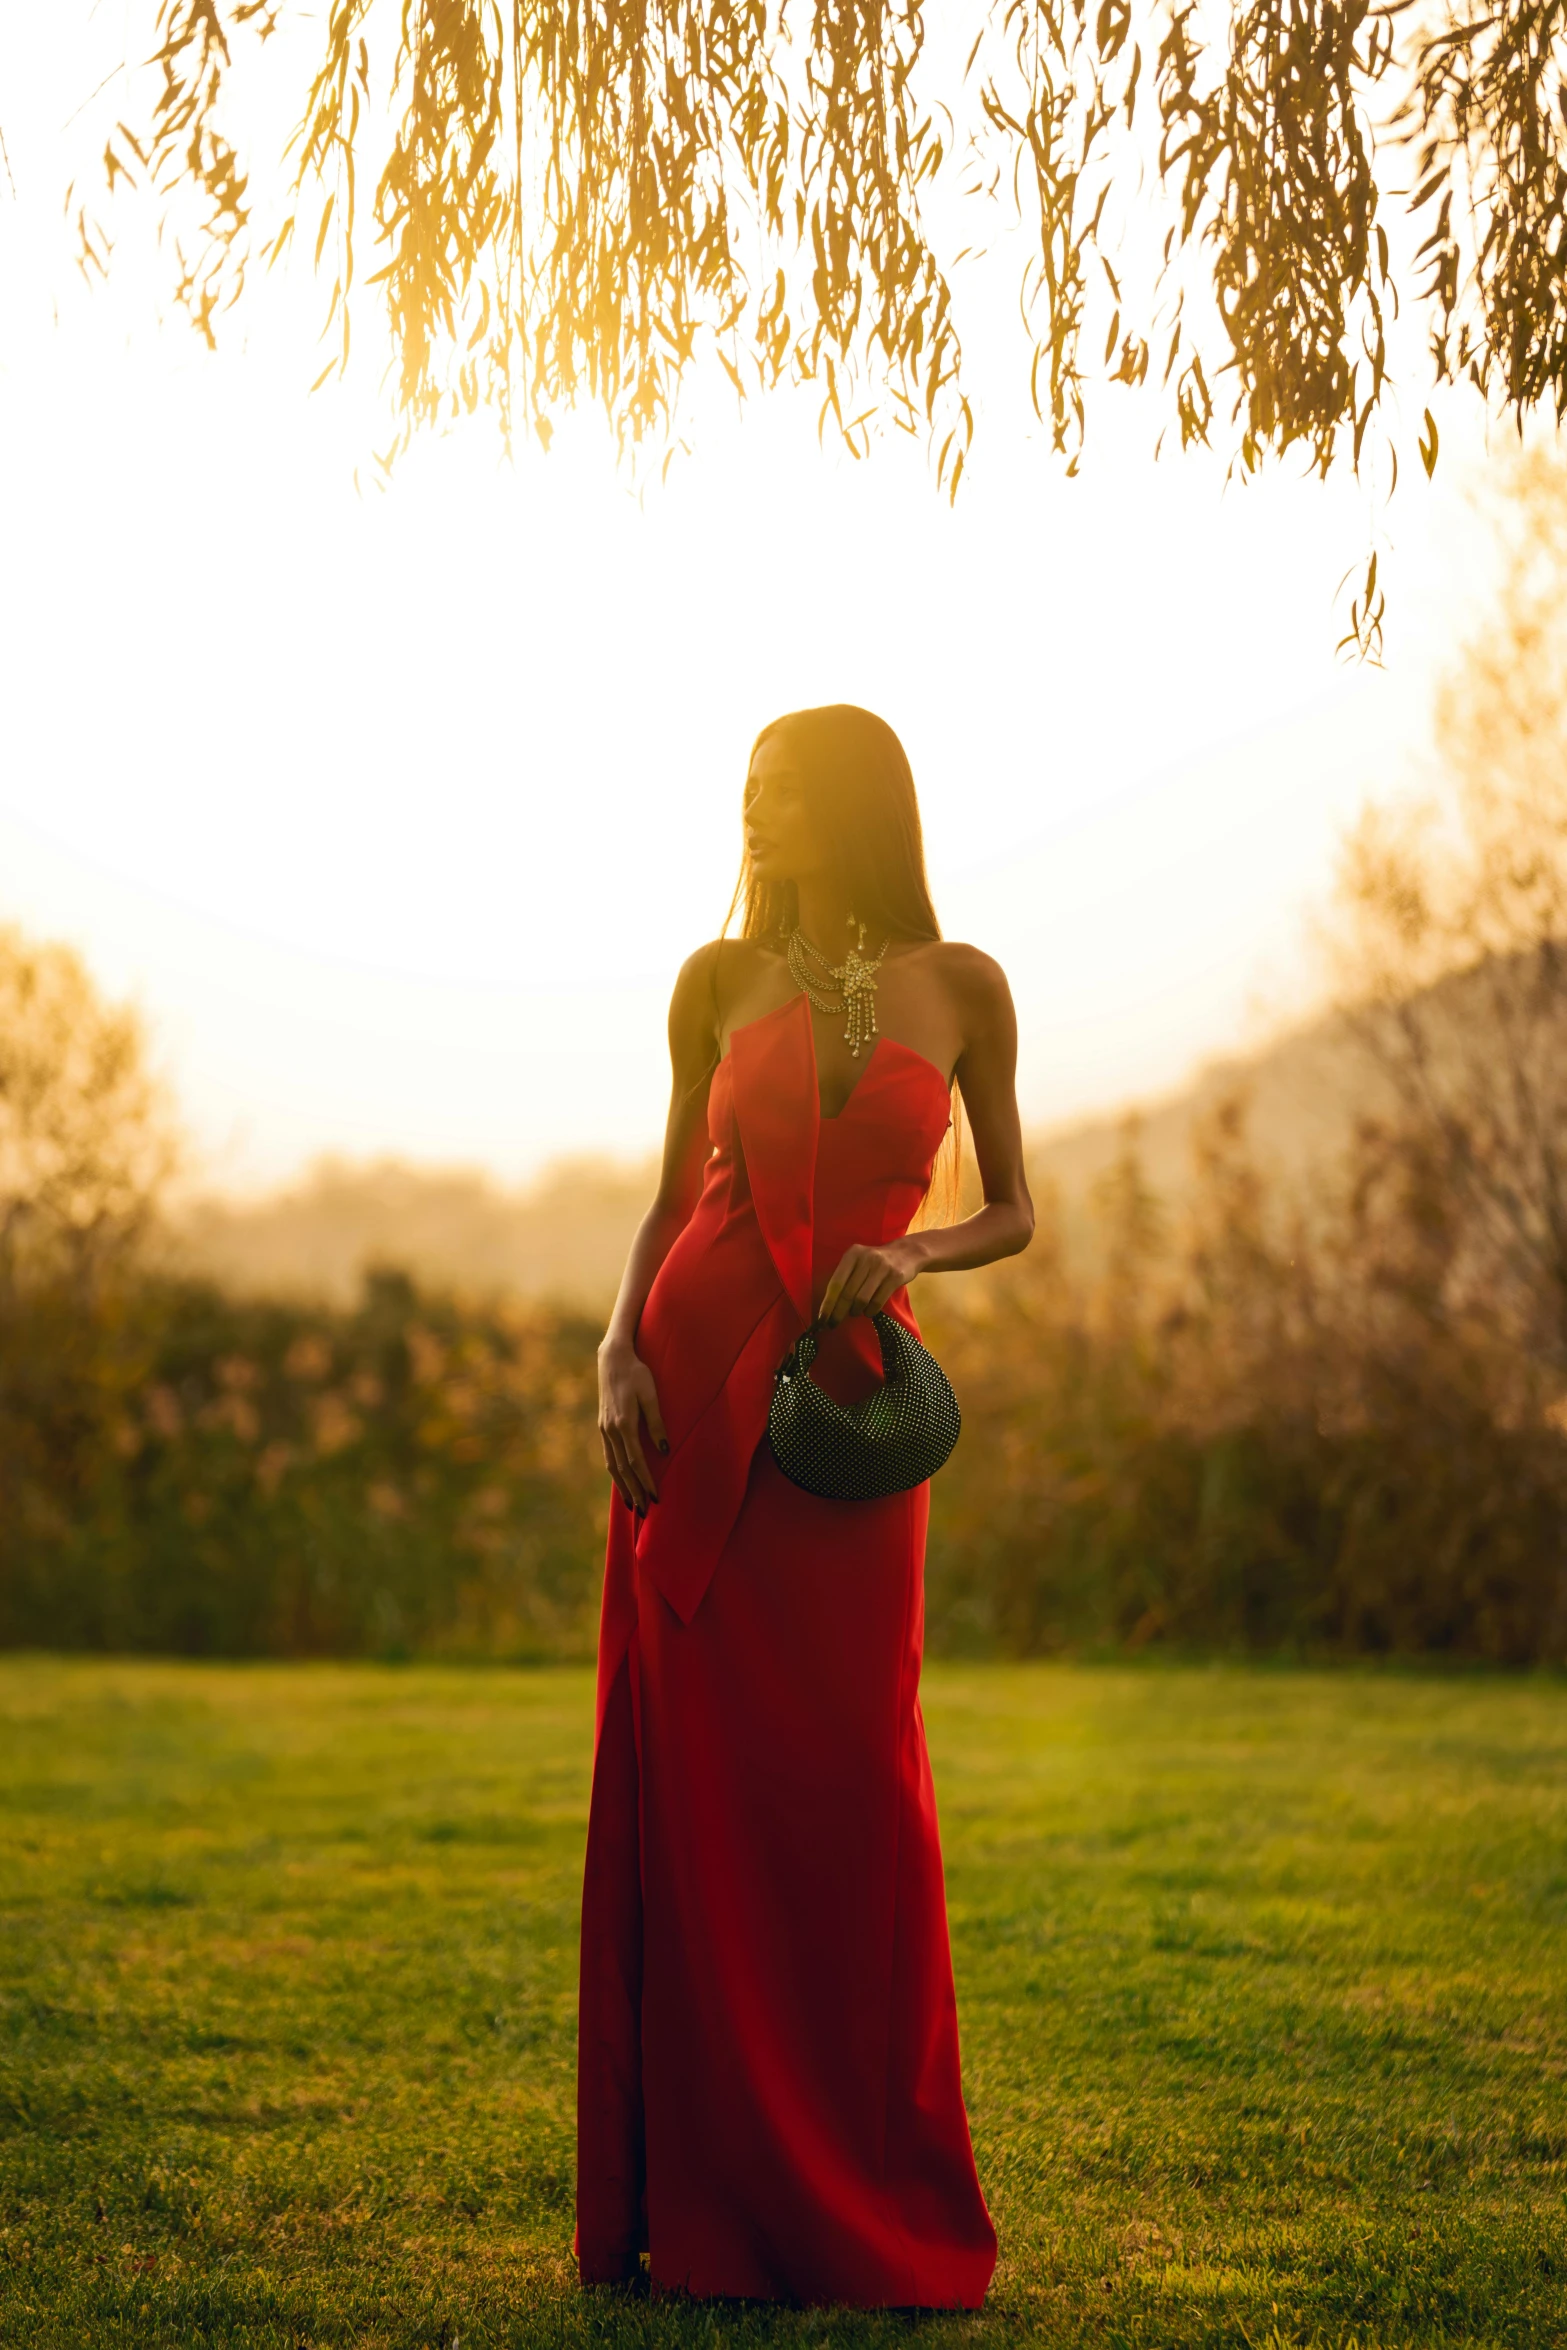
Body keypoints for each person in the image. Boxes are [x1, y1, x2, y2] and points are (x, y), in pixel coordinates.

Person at [577, 704, 1035, 2307]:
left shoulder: (965, 986)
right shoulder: (713, 985)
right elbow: (657, 1203)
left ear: (854, 805)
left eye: (780, 795)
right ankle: (712, 2211)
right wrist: (613, 1355)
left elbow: (1014, 1208)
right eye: (744, 795)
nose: (755, 821)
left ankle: (867, 2190)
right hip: (690, 1409)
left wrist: (908, 1254)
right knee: (703, 1813)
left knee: (853, 1790)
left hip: (845, 1423)